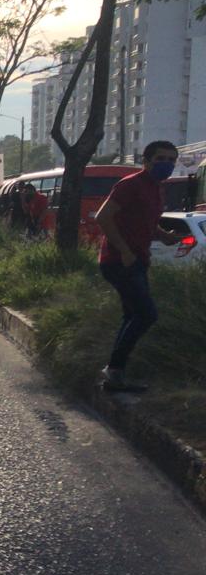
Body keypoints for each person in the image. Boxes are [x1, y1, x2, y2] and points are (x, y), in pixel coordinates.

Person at [94, 140, 182, 392]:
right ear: (146, 161)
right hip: (119, 261)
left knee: (133, 314)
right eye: (161, 159)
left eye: (171, 160)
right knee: (146, 314)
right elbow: (103, 217)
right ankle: (114, 371)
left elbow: (144, 222)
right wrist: (124, 252)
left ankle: (114, 374)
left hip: (138, 260)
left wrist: (164, 235)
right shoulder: (130, 184)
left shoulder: (156, 189)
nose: (166, 164)